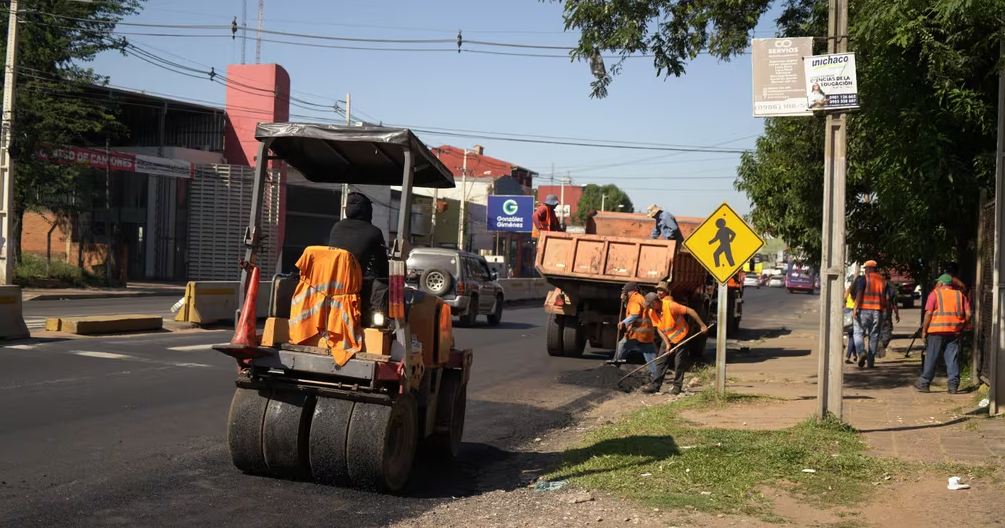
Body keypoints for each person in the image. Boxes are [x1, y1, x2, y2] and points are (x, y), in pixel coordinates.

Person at [327, 192, 390, 321]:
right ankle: (372, 319)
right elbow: (382, 266)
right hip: (356, 287)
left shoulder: (337, 227)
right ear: (367, 211)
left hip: (331, 283)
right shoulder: (374, 232)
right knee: (381, 284)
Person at [641, 282, 708, 394]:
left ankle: (677, 386)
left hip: (681, 335)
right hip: (668, 338)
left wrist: (702, 325)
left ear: (656, 302)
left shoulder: (671, 306)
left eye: (650, 304)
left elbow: (690, 311)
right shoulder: (652, 311)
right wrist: (667, 344)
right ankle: (655, 385)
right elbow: (659, 329)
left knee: (679, 362)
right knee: (661, 361)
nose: (648, 307)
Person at [915, 274, 971, 394]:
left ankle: (925, 383)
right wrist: (964, 325)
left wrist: (924, 331)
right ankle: (953, 386)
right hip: (954, 331)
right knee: (952, 358)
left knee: (931, 357)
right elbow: (969, 314)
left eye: (937, 282)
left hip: (936, 332)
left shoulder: (935, 294)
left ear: (941, 283)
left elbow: (929, 314)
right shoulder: (960, 295)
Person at [852, 259, 888, 368]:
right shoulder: (883, 280)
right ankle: (871, 362)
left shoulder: (864, 279)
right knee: (874, 336)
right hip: (877, 311)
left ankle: (862, 352)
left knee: (858, 332)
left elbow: (859, 293)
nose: (865, 271)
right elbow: (886, 297)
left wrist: (855, 308)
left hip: (864, 310)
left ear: (869, 269)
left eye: (866, 269)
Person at [608, 281, 654, 365]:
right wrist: (625, 301)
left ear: (631, 291)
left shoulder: (635, 299)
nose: (625, 294)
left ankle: (613, 367)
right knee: (650, 355)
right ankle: (656, 375)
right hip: (645, 332)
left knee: (622, 345)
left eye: (626, 292)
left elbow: (634, 314)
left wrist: (624, 322)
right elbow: (632, 308)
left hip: (637, 332)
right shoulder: (638, 297)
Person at [878, 270, 901, 357]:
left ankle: (879, 348)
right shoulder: (891, 288)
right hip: (885, 312)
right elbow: (894, 303)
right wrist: (897, 314)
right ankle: (882, 344)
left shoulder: (876, 287)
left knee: (878, 332)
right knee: (887, 332)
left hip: (878, 311)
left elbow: (894, 303)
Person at [844, 287, 858, 364]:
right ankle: (847, 356)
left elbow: (844, 298)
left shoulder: (849, 289)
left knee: (851, 334)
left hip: (847, 310)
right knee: (853, 335)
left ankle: (855, 355)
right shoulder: (859, 289)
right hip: (855, 311)